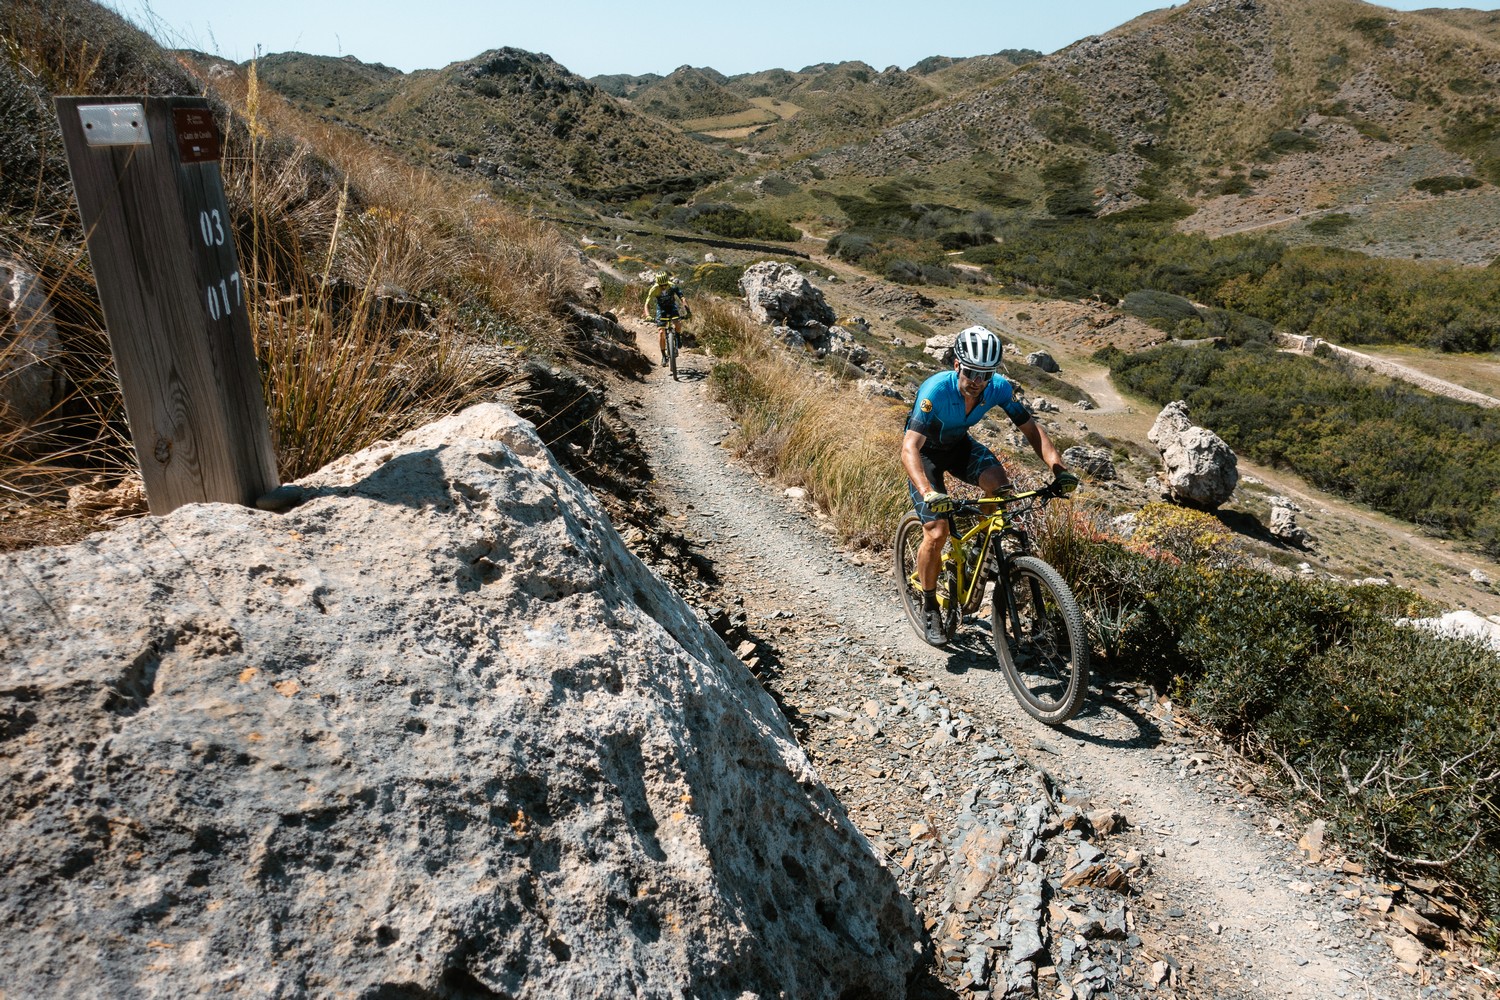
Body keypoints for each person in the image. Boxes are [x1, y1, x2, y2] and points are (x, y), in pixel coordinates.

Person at [901, 325, 1079, 645]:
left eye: (986, 374)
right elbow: (909, 448)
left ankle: (975, 551)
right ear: (957, 364)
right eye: (971, 372)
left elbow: (1032, 430)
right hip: (926, 454)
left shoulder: (997, 388)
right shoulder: (935, 392)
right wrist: (929, 492)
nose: (977, 382)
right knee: (937, 532)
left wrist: (1059, 470)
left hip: (959, 447)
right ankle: (929, 605)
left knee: (1001, 490)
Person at [643, 272, 690, 366]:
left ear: (667, 282)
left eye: (665, 284)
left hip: (672, 307)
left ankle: (677, 337)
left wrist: (688, 312)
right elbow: (646, 304)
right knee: (661, 332)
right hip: (661, 309)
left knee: (677, 323)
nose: (664, 287)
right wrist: (648, 315)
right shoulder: (654, 289)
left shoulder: (672, 286)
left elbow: (682, 299)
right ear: (658, 283)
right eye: (662, 285)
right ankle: (664, 356)